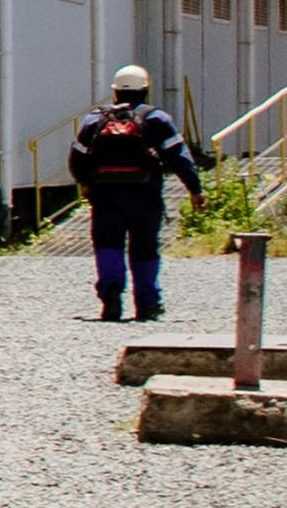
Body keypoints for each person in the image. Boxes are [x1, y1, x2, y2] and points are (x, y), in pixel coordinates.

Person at [70, 62, 204, 325]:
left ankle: (110, 296)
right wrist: (195, 190)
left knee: (108, 245)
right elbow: (179, 157)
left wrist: (84, 182)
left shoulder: (94, 120)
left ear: (115, 92)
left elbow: (77, 157)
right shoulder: (157, 119)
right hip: (145, 195)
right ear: (145, 90)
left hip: (105, 196)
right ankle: (147, 304)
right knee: (144, 248)